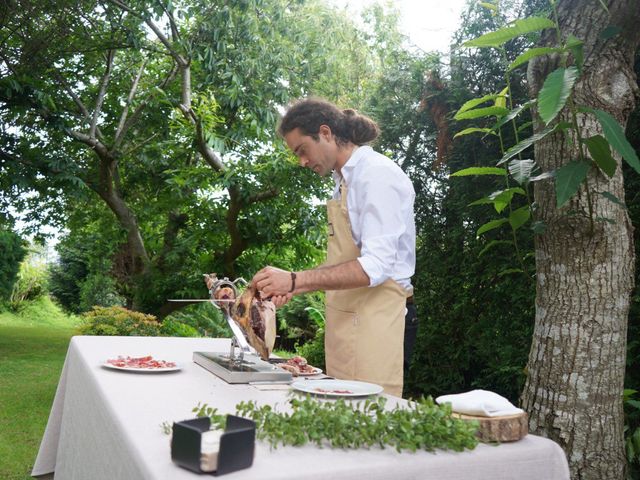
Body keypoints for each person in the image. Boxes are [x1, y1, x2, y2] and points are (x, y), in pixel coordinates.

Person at [251, 98, 416, 397]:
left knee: (369, 427)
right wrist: (294, 287)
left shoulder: (376, 175)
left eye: (302, 150)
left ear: (325, 133)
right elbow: (345, 260)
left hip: (376, 325)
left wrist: (295, 278)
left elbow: (375, 267)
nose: (302, 161)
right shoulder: (342, 182)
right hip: (345, 324)